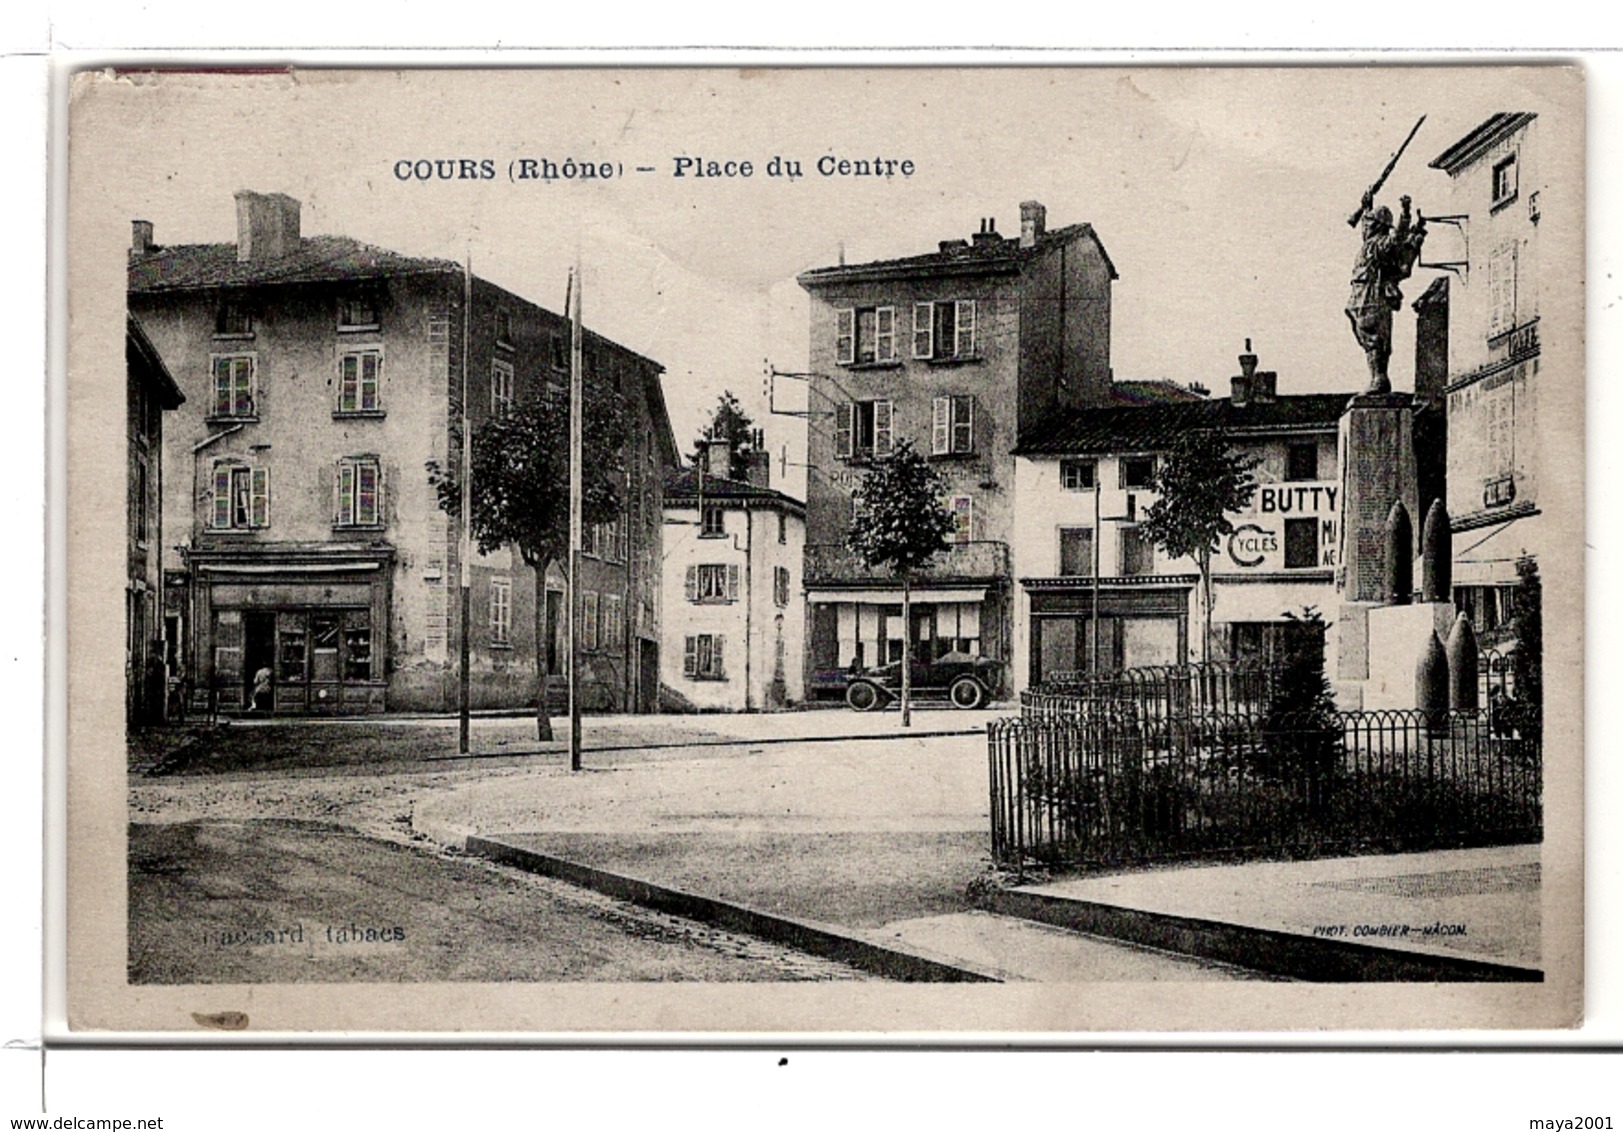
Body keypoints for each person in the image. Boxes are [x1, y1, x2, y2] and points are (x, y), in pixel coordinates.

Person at [1346, 191, 1428, 393]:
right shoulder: (1370, 243)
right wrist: (1366, 206)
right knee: (1368, 338)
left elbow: (1396, 240)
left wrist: (1405, 215)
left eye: (1371, 223)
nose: (1366, 226)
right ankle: (1377, 377)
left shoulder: (1378, 244)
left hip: (1371, 297)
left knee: (1374, 339)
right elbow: (1365, 227)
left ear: (1377, 226)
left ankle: (1379, 378)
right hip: (1361, 295)